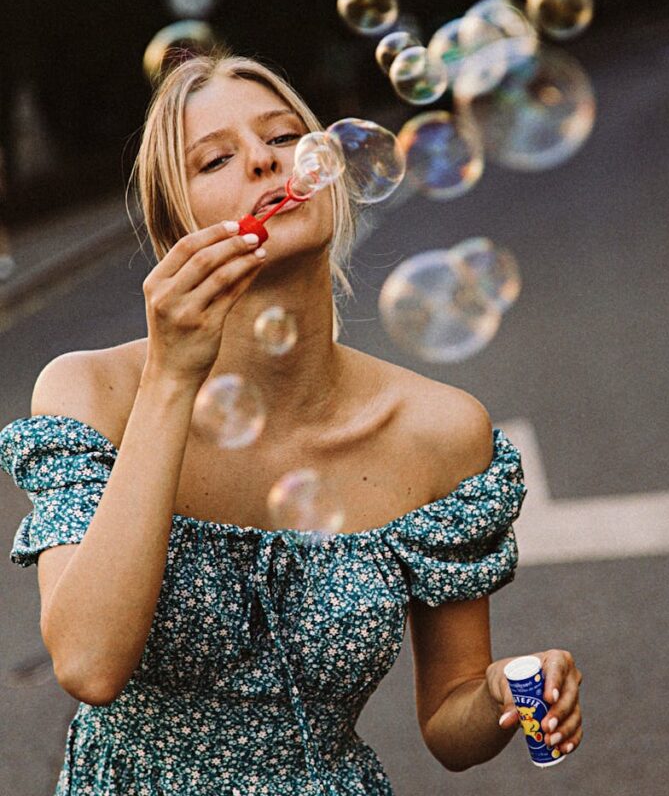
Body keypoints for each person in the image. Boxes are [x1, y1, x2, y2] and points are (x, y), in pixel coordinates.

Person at [0, 52, 584, 795]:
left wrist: (500, 693)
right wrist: (172, 378)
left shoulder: (439, 432)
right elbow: (88, 664)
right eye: (214, 159)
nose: (261, 161)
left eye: (283, 138)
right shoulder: (91, 393)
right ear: (175, 228)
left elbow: (448, 722)